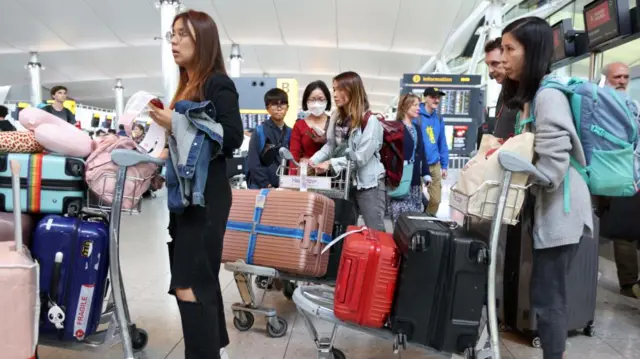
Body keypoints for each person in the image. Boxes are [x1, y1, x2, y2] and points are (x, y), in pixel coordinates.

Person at [146, 9, 243, 359]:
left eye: (182, 34)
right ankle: (212, 351)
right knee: (200, 278)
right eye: (171, 34)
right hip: (186, 200)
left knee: (187, 283)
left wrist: (178, 122)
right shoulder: (185, 86)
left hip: (207, 199)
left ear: (202, 39)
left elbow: (232, 136)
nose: (173, 41)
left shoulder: (217, 83)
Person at [500, 16, 593, 359]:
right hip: (553, 208)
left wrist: (513, 168)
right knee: (546, 293)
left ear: (533, 50)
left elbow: (553, 168)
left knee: (548, 297)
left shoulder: (549, 97)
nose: (504, 57)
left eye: (511, 49)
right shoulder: (535, 95)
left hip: (562, 210)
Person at [305, 71, 386, 232]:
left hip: (368, 184)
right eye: (333, 89)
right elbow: (330, 146)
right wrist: (314, 160)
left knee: (375, 230)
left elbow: (361, 157)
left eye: (339, 90)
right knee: (344, 228)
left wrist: (330, 164)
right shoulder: (336, 117)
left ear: (352, 90)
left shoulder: (370, 121)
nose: (334, 95)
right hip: (345, 183)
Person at [599, 61, 640, 298]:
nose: (622, 81)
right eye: (617, 77)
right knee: (622, 229)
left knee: (627, 228)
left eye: (625, 77)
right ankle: (628, 283)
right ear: (607, 79)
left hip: (630, 174)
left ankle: (631, 283)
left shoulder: (632, 106)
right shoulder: (597, 104)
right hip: (607, 173)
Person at [387, 93, 431, 225]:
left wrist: (426, 173)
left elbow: (422, 153)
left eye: (419, 105)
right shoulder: (395, 128)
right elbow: (389, 154)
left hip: (415, 180)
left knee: (414, 220)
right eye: (415, 105)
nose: (419, 108)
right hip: (400, 179)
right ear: (405, 107)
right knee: (401, 219)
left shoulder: (417, 128)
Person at [246, 88, 291, 189]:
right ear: (267, 108)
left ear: (287, 107)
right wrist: (266, 185)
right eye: (274, 104)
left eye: (282, 104)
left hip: (284, 187)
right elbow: (253, 162)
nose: (279, 108)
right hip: (261, 188)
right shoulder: (259, 132)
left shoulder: (290, 132)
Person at [415, 87, 448, 217]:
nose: (436, 100)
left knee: (436, 200)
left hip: (434, 165)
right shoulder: (416, 116)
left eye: (438, 97)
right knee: (415, 199)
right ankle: (415, 223)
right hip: (418, 165)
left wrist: (444, 165)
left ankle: (426, 220)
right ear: (426, 98)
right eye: (433, 97)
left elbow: (442, 142)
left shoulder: (438, 118)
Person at [289, 81, 331, 174]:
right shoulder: (299, 125)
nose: (316, 104)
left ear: (327, 100)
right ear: (306, 101)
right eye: (312, 99)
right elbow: (294, 155)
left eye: (321, 99)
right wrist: (291, 179)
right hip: (307, 175)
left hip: (331, 175)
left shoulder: (334, 123)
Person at [484, 37, 519, 138]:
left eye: (495, 63)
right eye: (488, 65)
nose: (490, 70)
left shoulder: (525, 94)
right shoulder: (505, 92)